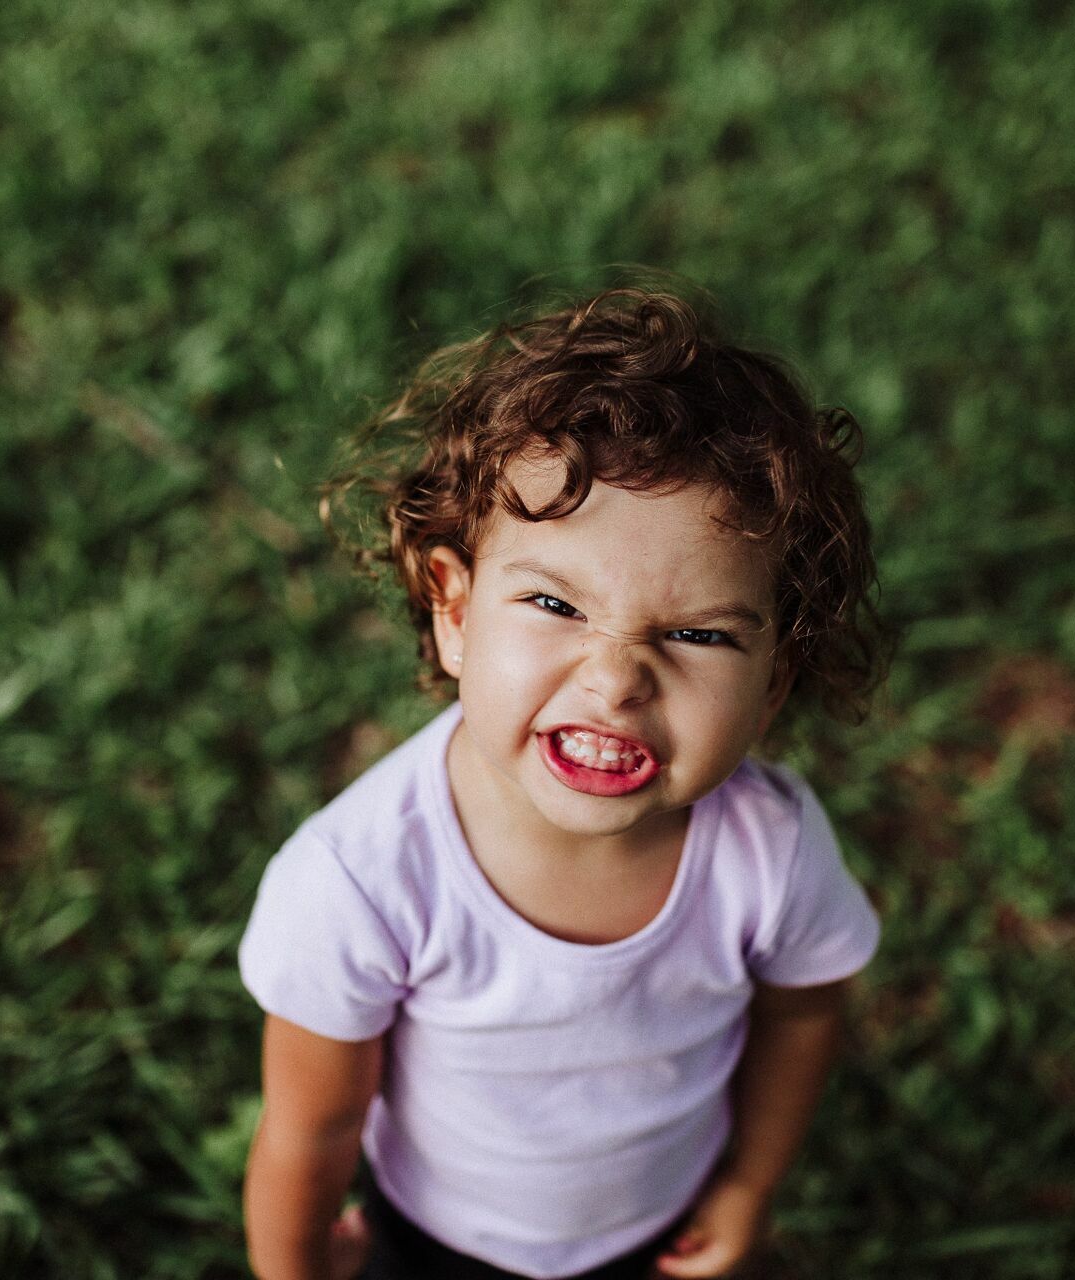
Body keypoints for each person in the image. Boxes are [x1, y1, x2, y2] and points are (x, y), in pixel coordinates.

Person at [238, 286, 886, 1280]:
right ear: (453, 610)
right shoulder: (361, 879)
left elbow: (803, 1010)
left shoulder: (773, 850)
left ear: (771, 686)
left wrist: (750, 1182)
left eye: (699, 633)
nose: (618, 676)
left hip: (661, 1228)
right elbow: (309, 1127)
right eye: (554, 601)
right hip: (437, 1239)